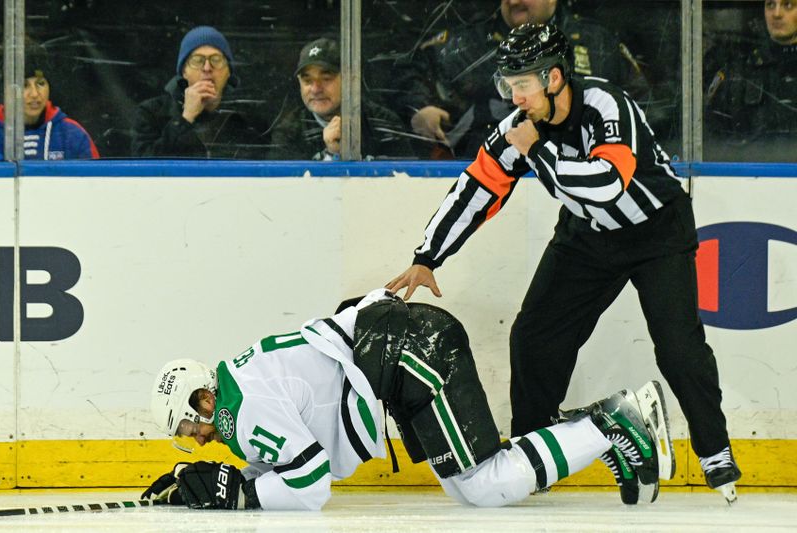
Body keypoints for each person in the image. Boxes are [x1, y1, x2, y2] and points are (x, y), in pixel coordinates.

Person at [386, 23, 742, 504]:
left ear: (554, 78)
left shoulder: (606, 106)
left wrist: (536, 148)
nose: (516, 96)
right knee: (533, 337)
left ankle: (714, 450)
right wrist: (428, 255)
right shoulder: (520, 125)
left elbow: (606, 184)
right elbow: (477, 188)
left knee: (679, 347)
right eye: (509, 85)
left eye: (523, 84)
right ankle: (535, 453)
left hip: (657, 231)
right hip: (587, 236)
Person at [144, 288, 672, 510]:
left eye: (190, 429)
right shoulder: (241, 382)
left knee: (482, 485)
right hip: (401, 353)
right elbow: (289, 460)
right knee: (472, 490)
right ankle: (599, 429)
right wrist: (230, 484)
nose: (199, 440)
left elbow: (310, 483)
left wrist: (243, 495)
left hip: (410, 352)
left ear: (202, 402)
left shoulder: (242, 409)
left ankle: (610, 423)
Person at [394, 0, 652, 159]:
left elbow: (644, 104)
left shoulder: (597, 41)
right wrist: (420, 107)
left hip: (578, 174)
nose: (513, 1)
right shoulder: (466, 42)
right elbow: (407, 73)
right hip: (485, 170)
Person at [267, 38, 413, 160]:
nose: (316, 89)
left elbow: (406, 185)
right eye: (308, 81)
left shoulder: (382, 122)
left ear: (350, 80)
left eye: (326, 78)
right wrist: (331, 155)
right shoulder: (289, 131)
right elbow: (281, 190)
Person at [130, 26, 261, 159]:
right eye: (197, 61)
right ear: (184, 71)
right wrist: (185, 118)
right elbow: (144, 169)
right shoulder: (152, 112)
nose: (207, 68)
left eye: (216, 60)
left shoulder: (248, 119)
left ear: (228, 72)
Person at [704, 0, 797, 161]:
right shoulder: (738, 73)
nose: (776, 14)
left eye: (788, 5)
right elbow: (713, 142)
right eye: (770, 5)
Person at [0, 46, 99, 160]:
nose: (35, 94)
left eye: (40, 83)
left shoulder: (72, 134)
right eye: (24, 85)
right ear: (6, 90)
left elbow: (98, 177)